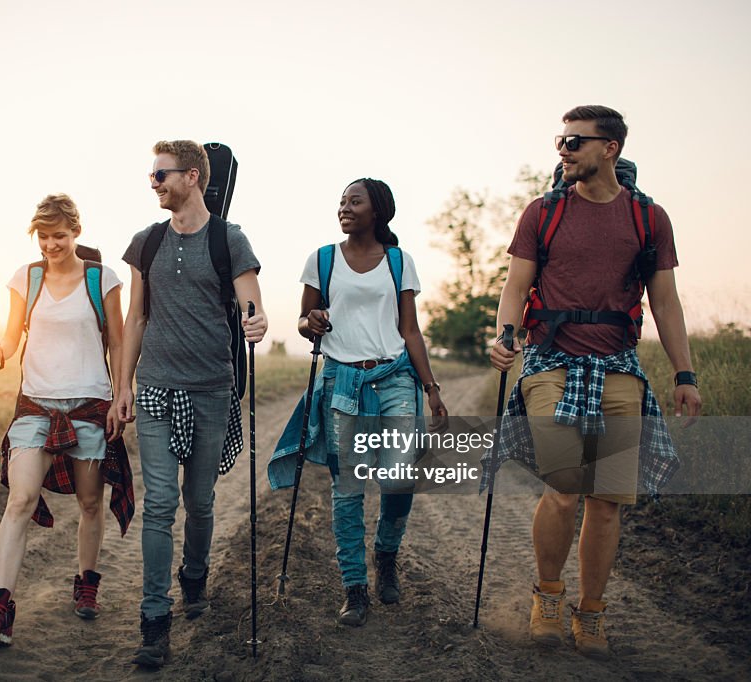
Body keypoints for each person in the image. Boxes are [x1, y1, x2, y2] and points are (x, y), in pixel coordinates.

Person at [488, 106, 701, 659]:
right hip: (551, 363)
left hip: (619, 369)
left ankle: (593, 613)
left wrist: (684, 373)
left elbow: (666, 303)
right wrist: (506, 335)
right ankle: (549, 599)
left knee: (607, 502)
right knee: (563, 490)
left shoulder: (648, 219)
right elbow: (515, 287)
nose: (563, 149)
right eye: (560, 140)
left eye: (575, 141)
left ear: (610, 148)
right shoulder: (543, 212)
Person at [268, 178, 448, 626]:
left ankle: (385, 555)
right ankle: (354, 587)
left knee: (398, 476)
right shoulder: (323, 259)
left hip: (395, 378)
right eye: (341, 202)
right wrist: (313, 321)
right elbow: (305, 322)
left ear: (378, 211)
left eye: (355, 201)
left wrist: (431, 388)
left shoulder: (399, 262)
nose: (345, 208)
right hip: (343, 382)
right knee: (347, 486)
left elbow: (410, 330)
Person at [117, 140, 267, 668]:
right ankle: (154, 619)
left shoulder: (229, 240)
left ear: (194, 177)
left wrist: (256, 321)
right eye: (152, 174)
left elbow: (253, 306)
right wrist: (122, 386)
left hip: (211, 387)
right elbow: (135, 319)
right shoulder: (146, 242)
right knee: (159, 504)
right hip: (157, 384)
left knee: (199, 501)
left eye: (162, 174)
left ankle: (195, 576)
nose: (154, 182)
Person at [0, 193, 132, 648]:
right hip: (35, 405)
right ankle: (0, 607)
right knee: (19, 500)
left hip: (89, 405)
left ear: (76, 232)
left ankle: (87, 583)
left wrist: (122, 394)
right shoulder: (27, 277)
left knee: (89, 503)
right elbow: (9, 336)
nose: (51, 244)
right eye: (43, 236)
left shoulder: (103, 279)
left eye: (59, 235)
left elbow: (118, 342)